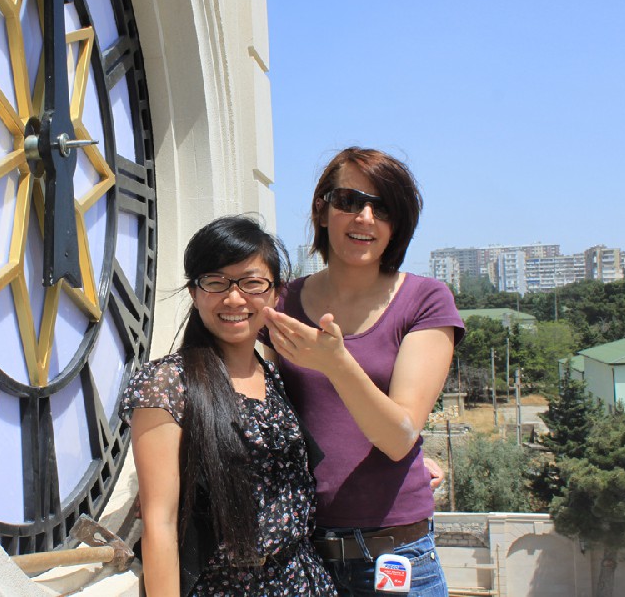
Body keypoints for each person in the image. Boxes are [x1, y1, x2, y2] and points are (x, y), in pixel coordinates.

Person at [261, 147, 465, 596]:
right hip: (300, 559)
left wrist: (336, 363)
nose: (365, 218)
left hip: (396, 560)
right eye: (350, 201)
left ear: (399, 224)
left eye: (383, 207)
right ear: (322, 209)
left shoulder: (425, 301)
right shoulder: (279, 306)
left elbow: (398, 438)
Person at [121, 215, 337, 596]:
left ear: (274, 293)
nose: (234, 298)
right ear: (194, 291)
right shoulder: (169, 385)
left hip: (303, 580)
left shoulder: (274, 376)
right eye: (216, 282)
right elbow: (160, 523)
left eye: (252, 283)